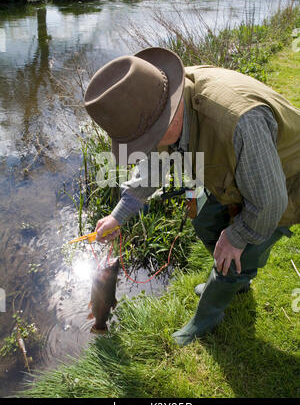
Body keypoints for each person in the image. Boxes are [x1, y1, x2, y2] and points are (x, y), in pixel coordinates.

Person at [84, 47, 300, 346]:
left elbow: (270, 203)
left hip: (285, 183)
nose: (145, 145)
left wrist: (236, 237)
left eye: (145, 138)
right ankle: (236, 280)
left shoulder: (239, 121)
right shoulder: (160, 97)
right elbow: (154, 166)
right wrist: (117, 216)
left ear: (168, 118)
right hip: (233, 175)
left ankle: (208, 315)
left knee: (238, 250)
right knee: (205, 223)